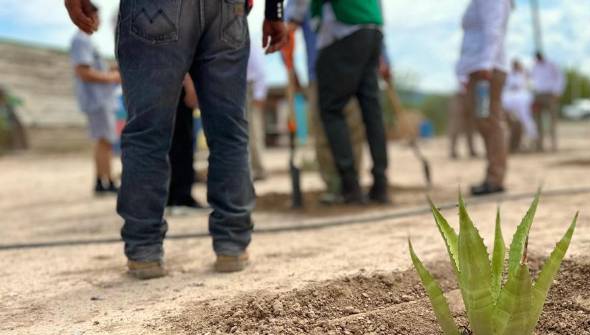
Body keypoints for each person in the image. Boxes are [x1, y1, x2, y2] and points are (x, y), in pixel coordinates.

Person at [64, 0, 288, 280]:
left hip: (156, 8)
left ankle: (144, 250)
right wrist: (275, 11)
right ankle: (232, 244)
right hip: (227, 9)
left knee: (147, 131)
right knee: (229, 131)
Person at [287, 0, 389, 205]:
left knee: (331, 109)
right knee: (371, 109)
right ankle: (380, 185)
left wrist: (292, 20)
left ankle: (350, 186)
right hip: (372, 30)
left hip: (343, 31)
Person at [457, 0, 512, 196]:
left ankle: (495, 178)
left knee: (491, 120)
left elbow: (493, 28)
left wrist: (486, 63)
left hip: (487, 69)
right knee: (484, 120)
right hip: (479, 67)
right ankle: (493, 175)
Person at [69, 4, 120, 195]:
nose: (98, 22)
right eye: (96, 17)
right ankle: (105, 181)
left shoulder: (86, 41)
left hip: (100, 99)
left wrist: (110, 72)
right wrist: (112, 77)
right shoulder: (81, 40)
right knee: (104, 140)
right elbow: (83, 72)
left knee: (104, 141)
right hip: (97, 100)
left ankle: (104, 179)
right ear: (87, 17)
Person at [167, 75, 203, 210]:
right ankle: (181, 196)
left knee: (171, 141)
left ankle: (171, 195)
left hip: (160, 84)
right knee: (182, 142)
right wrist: (190, 84)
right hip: (177, 85)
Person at [530, 51, 564, 152]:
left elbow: (560, 78)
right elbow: (531, 79)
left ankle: (554, 145)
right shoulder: (535, 66)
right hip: (538, 95)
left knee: (552, 121)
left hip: (550, 94)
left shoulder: (551, 64)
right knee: (537, 121)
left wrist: (557, 92)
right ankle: (539, 146)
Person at [502, 59, 538, 150]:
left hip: (521, 100)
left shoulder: (524, 75)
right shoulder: (509, 76)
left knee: (526, 119)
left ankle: (532, 139)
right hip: (510, 100)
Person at [247, 44, 269, 181]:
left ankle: (258, 169)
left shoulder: (248, 37)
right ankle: (248, 169)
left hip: (249, 87)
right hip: (234, 86)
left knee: (253, 131)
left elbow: (260, 68)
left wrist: (259, 93)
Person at [448, 82, 478, 160]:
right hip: (459, 95)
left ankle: (471, 150)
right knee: (455, 125)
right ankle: (453, 150)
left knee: (470, 125)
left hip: (471, 95)